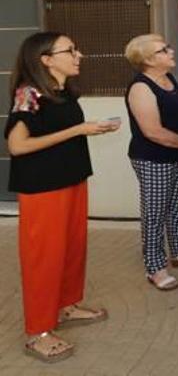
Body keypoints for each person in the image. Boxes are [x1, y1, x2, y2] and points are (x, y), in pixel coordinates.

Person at [5, 32, 119, 362]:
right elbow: (17, 145)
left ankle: (67, 306)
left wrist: (91, 129)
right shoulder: (29, 93)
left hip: (72, 181)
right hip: (43, 189)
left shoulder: (64, 92)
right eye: (70, 50)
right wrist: (78, 131)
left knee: (71, 249)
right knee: (44, 258)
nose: (78, 54)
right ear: (46, 59)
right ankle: (38, 331)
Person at [124, 34, 178, 291]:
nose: (171, 51)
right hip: (153, 159)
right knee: (155, 212)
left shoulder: (169, 79)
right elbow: (153, 132)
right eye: (164, 50)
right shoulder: (141, 88)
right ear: (148, 60)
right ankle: (154, 266)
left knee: (176, 206)